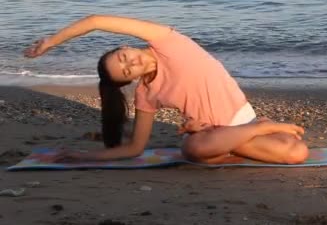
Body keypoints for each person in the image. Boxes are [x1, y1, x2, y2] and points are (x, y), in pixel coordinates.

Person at [24, 15, 309, 164]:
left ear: (125, 46)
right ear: (131, 80)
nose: (131, 63)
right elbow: (135, 149)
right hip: (209, 135)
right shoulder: (146, 93)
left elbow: (96, 21)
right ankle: (257, 131)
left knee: (296, 154)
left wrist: (52, 41)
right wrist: (82, 157)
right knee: (193, 148)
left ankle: (254, 129)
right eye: (126, 72)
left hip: (239, 121)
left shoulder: (168, 42)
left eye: (124, 57)